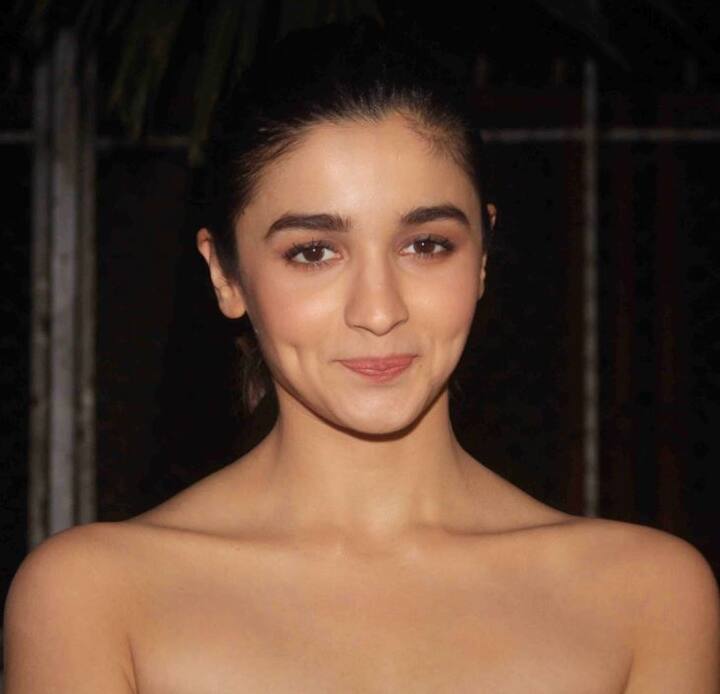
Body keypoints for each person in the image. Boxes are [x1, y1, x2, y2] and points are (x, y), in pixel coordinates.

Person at [4, 17, 719, 694]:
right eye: (314, 252)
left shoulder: (646, 598)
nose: (379, 310)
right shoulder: (96, 600)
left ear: (482, 254)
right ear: (224, 274)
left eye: (426, 245)